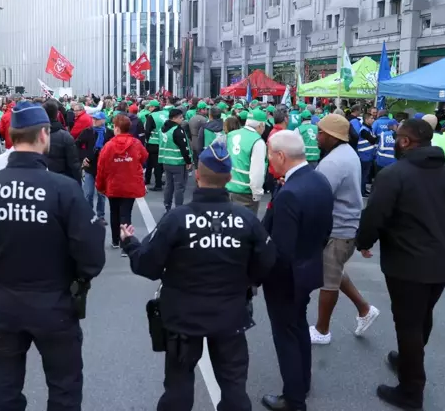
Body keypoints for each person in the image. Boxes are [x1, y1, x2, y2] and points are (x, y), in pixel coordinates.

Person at [0, 101, 106, 411]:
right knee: (64, 388)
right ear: (44, 135)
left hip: (3, 304)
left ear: (10, 136)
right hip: (56, 305)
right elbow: (92, 257)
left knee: (4, 388)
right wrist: (74, 277)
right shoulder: (63, 189)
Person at [119, 141, 276, 411]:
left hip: (182, 318)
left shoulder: (177, 218)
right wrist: (245, 282)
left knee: (178, 388)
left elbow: (147, 265)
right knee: (234, 386)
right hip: (230, 316)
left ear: (198, 176)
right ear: (228, 178)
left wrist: (130, 244)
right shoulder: (246, 219)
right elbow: (267, 261)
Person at [356, 118, 445, 410]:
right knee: (422, 317)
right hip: (439, 262)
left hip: (406, 264)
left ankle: (411, 392)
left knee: (409, 323)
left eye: (398, 136)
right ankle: (409, 359)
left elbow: (375, 214)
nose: (396, 140)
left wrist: (364, 241)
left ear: (406, 142)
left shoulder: (393, 175)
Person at [261, 130, 334, 411]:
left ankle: (293, 398)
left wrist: (259, 275)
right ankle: (302, 382)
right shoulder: (318, 180)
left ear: (281, 156)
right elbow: (326, 229)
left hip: (286, 278)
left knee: (286, 337)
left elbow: (280, 250)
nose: (269, 159)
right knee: (298, 327)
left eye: (270, 153)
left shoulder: (291, 192)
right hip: (308, 268)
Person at [308, 114, 379, 345]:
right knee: (334, 271)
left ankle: (322, 330)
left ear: (331, 136)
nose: (316, 136)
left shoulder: (333, 161)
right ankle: (364, 309)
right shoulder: (346, 153)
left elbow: (317, 195)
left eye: (320, 132)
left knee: (328, 280)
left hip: (338, 228)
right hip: (345, 225)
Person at [95, 114, 148, 252]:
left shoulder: (108, 146)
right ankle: (126, 243)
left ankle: (115, 241)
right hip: (130, 184)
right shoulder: (136, 143)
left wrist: (100, 186)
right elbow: (144, 156)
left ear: (117, 128)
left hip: (113, 184)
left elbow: (101, 168)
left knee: (114, 212)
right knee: (126, 214)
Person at [225, 110, 267, 213]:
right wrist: (257, 193)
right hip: (245, 192)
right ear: (260, 125)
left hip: (228, 187)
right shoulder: (257, 141)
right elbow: (257, 171)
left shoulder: (231, 135)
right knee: (246, 225)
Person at [76, 111, 112, 224]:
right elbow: (77, 145)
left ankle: (100, 215)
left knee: (101, 194)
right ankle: (88, 215)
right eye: (93, 119)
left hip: (103, 168)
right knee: (89, 193)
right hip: (89, 167)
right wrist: (83, 158)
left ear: (103, 120)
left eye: (96, 119)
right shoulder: (87, 132)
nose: (94, 121)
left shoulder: (109, 133)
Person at [158, 108, 192, 212]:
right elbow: (184, 147)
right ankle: (179, 208)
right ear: (174, 118)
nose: (182, 119)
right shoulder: (177, 130)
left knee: (169, 185)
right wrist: (188, 161)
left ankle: (167, 205)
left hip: (166, 161)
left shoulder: (163, 129)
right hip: (177, 162)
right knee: (179, 187)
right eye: (181, 117)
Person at [42, 99, 81, 183]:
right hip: (61, 180)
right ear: (57, 114)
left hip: (43, 180)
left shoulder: (35, 135)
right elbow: (73, 164)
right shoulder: (65, 136)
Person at [144, 100, 167, 191]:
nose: (149, 108)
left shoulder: (151, 116)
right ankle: (150, 179)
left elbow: (147, 130)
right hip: (163, 142)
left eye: (150, 107)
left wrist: (146, 140)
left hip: (153, 143)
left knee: (154, 164)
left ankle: (158, 184)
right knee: (158, 163)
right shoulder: (165, 113)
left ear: (153, 107)